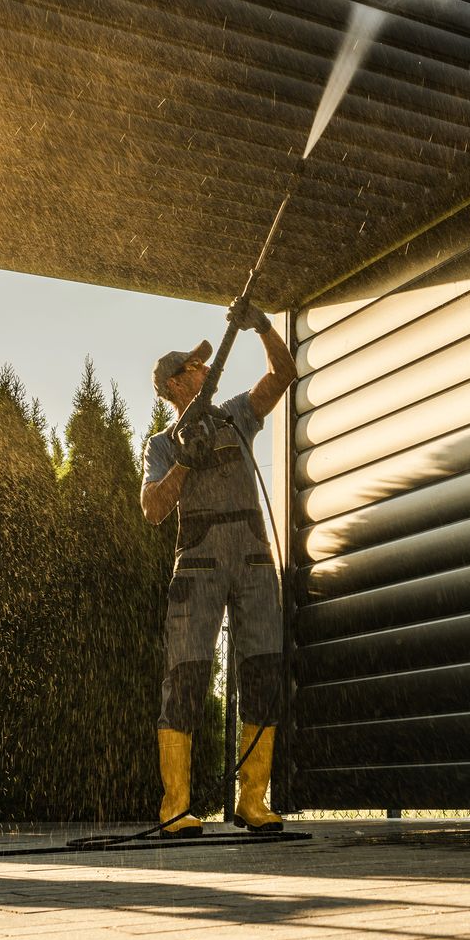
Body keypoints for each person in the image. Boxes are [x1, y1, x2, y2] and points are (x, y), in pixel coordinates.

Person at [140, 305, 296, 834]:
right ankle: (175, 808)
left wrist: (263, 328)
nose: (207, 372)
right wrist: (184, 460)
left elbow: (283, 375)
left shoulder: (235, 415)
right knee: (184, 678)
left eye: (206, 367)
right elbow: (152, 510)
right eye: (197, 368)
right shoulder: (161, 445)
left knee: (263, 673)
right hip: (198, 565)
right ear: (176, 383)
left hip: (254, 560)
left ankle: (253, 802)